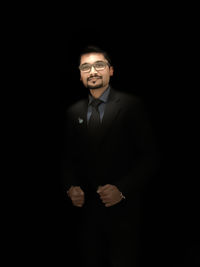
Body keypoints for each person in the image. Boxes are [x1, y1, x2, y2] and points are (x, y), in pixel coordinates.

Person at [62, 45, 158, 267]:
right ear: (79, 74)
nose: (92, 71)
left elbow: (150, 157)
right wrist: (71, 186)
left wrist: (122, 189)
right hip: (86, 216)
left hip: (124, 215)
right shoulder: (73, 112)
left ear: (111, 70)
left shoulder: (131, 105)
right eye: (86, 67)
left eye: (99, 65)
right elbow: (68, 158)